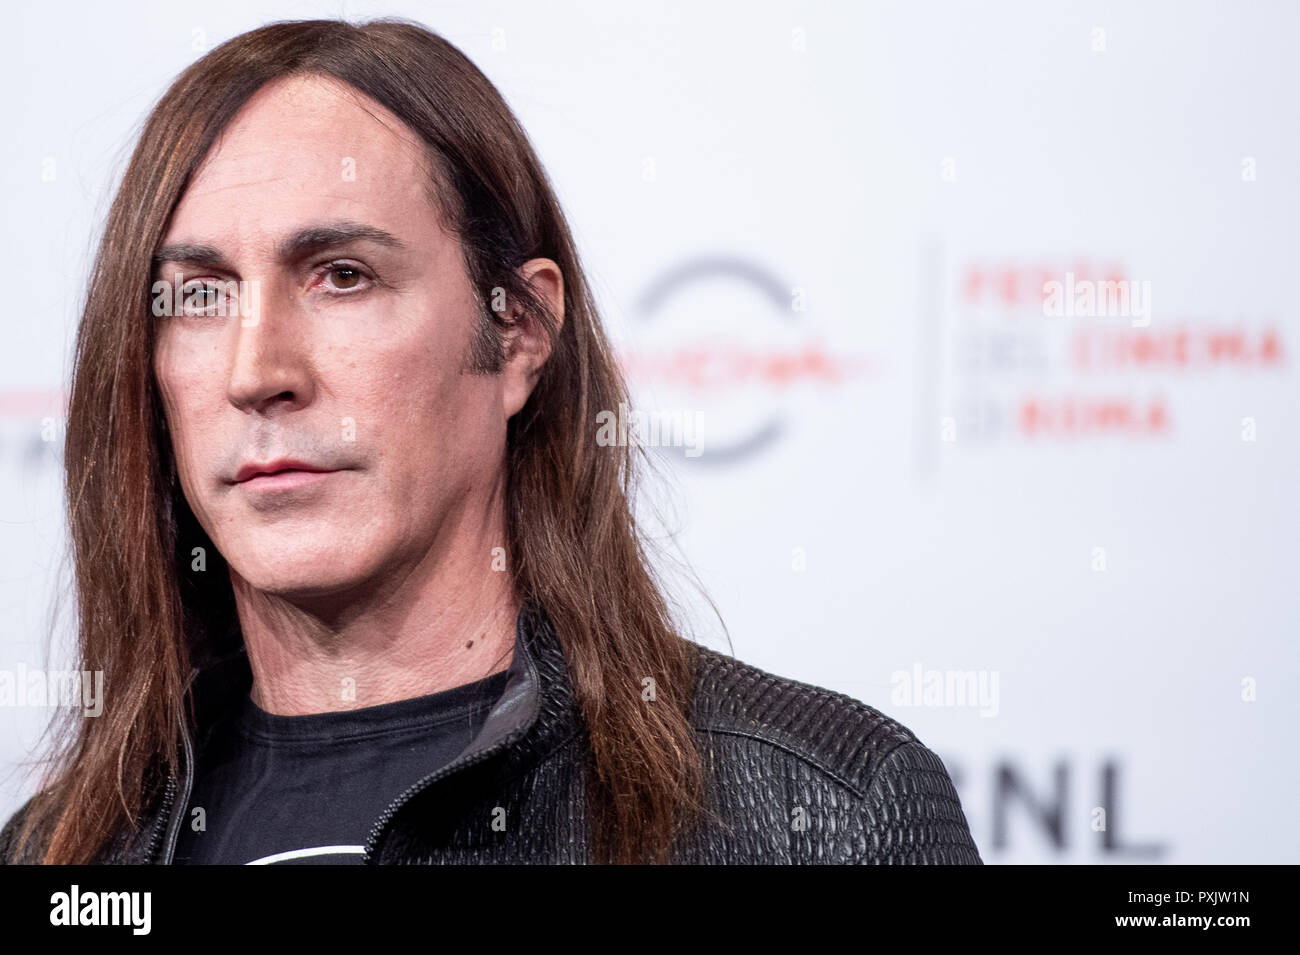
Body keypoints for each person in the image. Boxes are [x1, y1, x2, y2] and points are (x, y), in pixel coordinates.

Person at [0, 18, 981, 865]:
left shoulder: (816, 817)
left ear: (516, 334)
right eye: (200, 296)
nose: (257, 370)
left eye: (342, 275)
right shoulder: (57, 851)